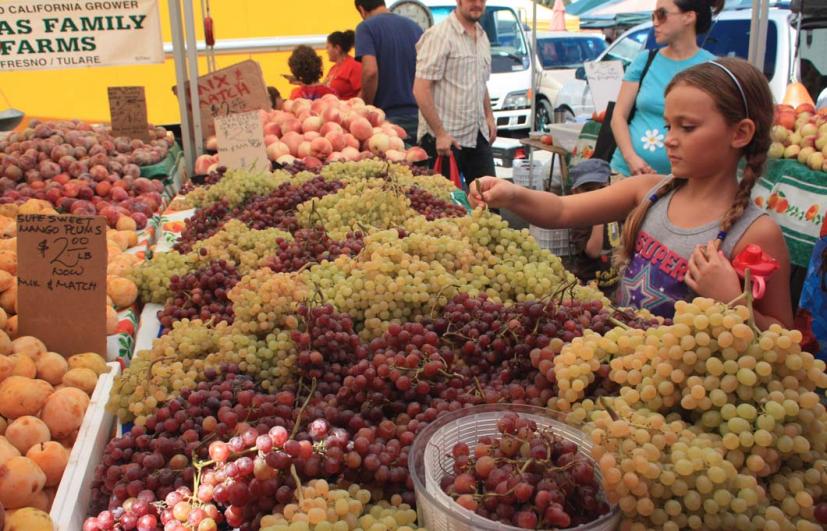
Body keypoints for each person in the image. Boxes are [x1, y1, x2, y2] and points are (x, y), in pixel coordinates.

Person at [469, 58, 793, 330]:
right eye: (668, 126)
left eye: (688, 127)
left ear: (740, 133)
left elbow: (785, 346)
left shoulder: (756, 233)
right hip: (627, 379)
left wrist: (733, 302)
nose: (669, 139)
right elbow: (561, 211)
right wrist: (511, 195)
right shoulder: (648, 191)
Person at [610, 0, 723, 177]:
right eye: (653, 16)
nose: (655, 22)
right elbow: (618, 116)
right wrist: (631, 158)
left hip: (685, 181)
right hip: (628, 172)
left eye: (662, 14)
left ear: (689, 17)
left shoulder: (713, 68)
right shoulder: (645, 60)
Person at [413, 0, 496, 187]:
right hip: (445, 142)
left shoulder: (482, 36)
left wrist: (489, 117)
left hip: (477, 135)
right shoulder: (440, 35)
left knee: (489, 205)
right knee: (444, 209)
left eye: (481, 0)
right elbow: (420, 88)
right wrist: (441, 133)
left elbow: (480, 82)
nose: (477, 4)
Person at [354, 0, 423, 141]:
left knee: (394, 162)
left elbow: (370, 72)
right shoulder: (415, 27)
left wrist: (367, 108)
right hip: (420, 116)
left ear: (361, 9)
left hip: (387, 119)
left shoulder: (366, 27)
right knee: (419, 161)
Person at [565, 160, 620, 296]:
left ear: (610, 184)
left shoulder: (616, 209)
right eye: (588, 189)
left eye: (601, 188)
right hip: (590, 287)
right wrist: (599, 220)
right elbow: (593, 252)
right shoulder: (580, 218)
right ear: (575, 192)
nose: (597, 195)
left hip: (614, 282)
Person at [325, 30, 362, 100]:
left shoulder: (354, 66)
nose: (327, 51)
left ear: (337, 48)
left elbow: (363, 91)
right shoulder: (332, 69)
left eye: (328, 47)